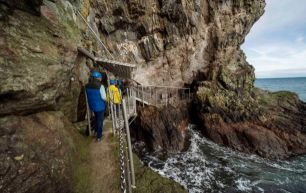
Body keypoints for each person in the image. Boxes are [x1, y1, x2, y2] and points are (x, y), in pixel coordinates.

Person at [85, 71, 107, 142]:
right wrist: (106, 101)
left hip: (92, 106)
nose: (101, 78)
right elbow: (104, 97)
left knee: (96, 118)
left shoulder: (87, 86)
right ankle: (99, 136)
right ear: (98, 78)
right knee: (100, 121)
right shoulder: (101, 86)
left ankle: (96, 132)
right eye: (100, 77)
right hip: (100, 106)